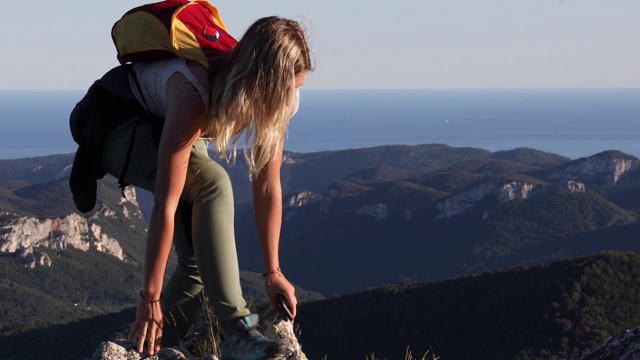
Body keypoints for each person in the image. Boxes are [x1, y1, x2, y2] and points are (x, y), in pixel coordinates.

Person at [73, 16, 313, 359]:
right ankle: (236, 331)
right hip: (118, 125)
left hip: (167, 123)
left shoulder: (276, 99)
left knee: (200, 266)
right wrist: (149, 296)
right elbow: (166, 205)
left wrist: (272, 272)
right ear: (262, 80)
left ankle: (146, 351)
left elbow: (267, 186)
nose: (292, 98)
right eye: (287, 89)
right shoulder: (195, 92)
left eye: (298, 88)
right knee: (213, 184)